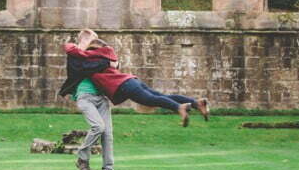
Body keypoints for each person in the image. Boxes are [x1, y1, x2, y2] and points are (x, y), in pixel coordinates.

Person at [64, 30, 209, 127]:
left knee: (151, 100)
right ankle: (196, 103)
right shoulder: (103, 54)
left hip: (123, 86)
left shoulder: (90, 56)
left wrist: (81, 47)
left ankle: (179, 108)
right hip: (130, 80)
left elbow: (74, 53)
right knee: (160, 96)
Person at [58, 30, 115, 170]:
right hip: (85, 97)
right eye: (93, 40)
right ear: (85, 39)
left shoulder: (96, 55)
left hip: (102, 97)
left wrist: (113, 63)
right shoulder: (74, 55)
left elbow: (112, 67)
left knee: (107, 134)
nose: (95, 44)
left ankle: (108, 169)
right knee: (98, 127)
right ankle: (82, 157)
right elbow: (85, 67)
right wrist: (106, 62)